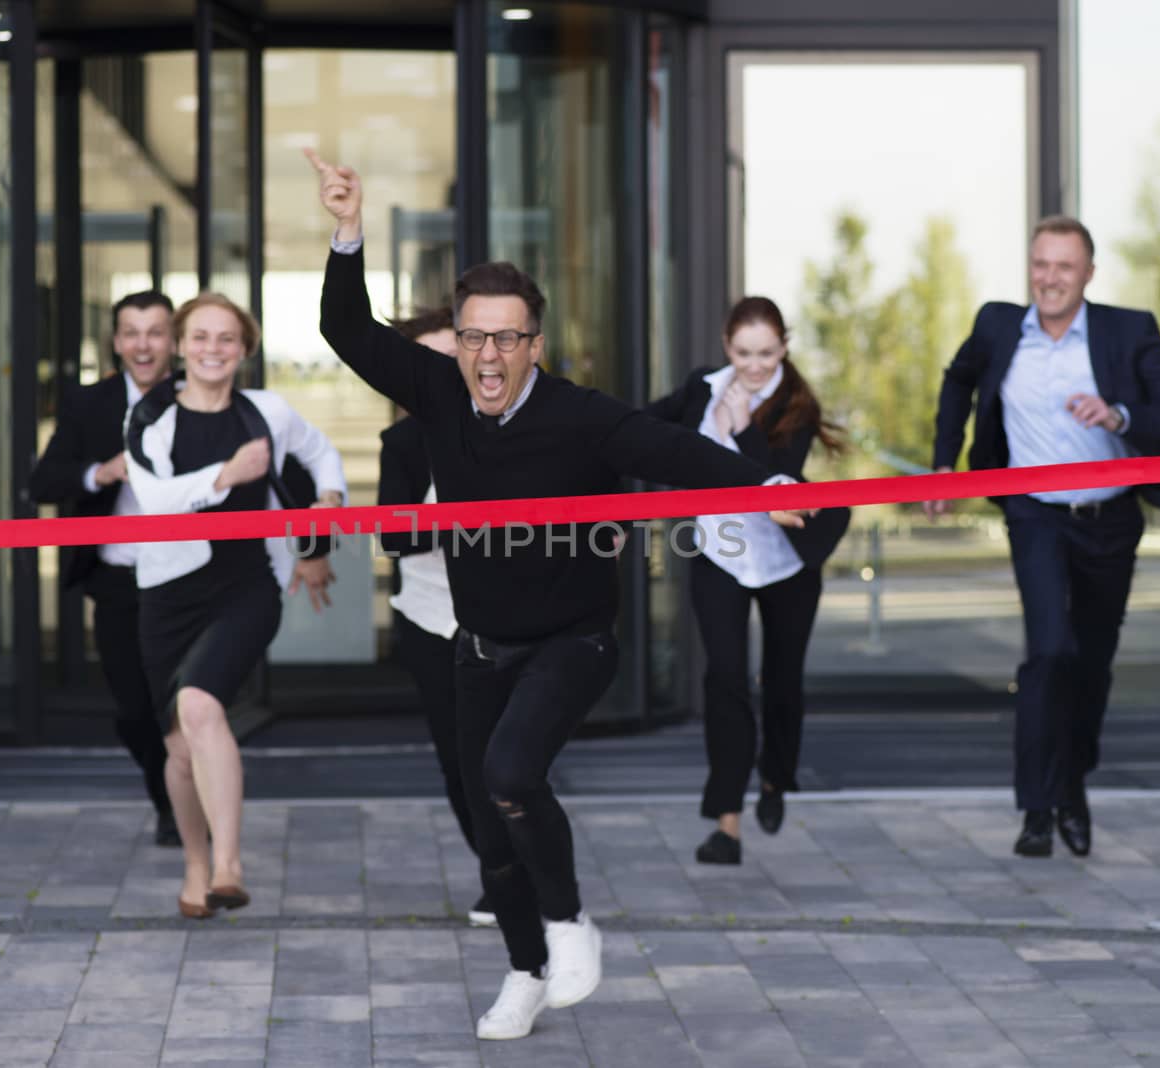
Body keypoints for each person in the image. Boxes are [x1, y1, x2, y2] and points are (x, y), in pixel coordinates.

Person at [306, 148, 807, 1041]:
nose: (488, 354)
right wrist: (348, 230)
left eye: (506, 337)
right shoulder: (437, 390)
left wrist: (762, 488)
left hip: (574, 641)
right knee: (494, 843)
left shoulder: (582, 415)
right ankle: (527, 970)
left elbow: (672, 454)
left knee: (511, 773)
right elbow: (349, 331)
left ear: (534, 342)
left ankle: (571, 921)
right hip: (479, 645)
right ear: (455, 339)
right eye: (473, 336)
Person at [925, 215, 1160, 860]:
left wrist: (1117, 414)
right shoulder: (997, 326)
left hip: (1110, 521)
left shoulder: (1128, 332)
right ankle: (1037, 810)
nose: (1049, 278)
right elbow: (958, 380)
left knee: (1090, 665)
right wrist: (941, 462)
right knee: (1049, 652)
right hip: (1035, 514)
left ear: (1088, 274)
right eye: (1040, 264)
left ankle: (1071, 781)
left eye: (1064, 266)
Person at [123, 292, 346, 919]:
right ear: (179, 346)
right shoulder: (149, 418)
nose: (212, 350)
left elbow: (320, 452)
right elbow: (156, 501)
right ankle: (196, 862)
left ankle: (229, 863)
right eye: (200, 337)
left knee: (199, 704)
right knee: (177, 746)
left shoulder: (266, 411)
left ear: (244, 349)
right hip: (168, 595)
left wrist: (327, 501)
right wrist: (225, 475)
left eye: (226, 339)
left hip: (247, 585)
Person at [645, 296, 848, 866]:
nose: (755, 365)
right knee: (726, 680)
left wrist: (740, 428)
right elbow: (643, 427)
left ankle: (777, 778)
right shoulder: (701, 389)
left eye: (766, 352)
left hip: (786, 560)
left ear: (783, 347)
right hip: (720, 553)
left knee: (782, 681)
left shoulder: (798, 405)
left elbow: (778, 481)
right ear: (726, 346)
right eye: (743, 353)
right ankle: (727, 823)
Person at [28, 290, 180, 848]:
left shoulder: (199, 397)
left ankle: (188, 804)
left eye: (155, 332)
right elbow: (43, 483)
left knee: (189, 702)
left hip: (185, 581)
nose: (143, 345)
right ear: (116, 342)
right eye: (132, 333)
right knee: (135, 708)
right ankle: (167, 798)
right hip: (117, 580)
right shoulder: (88, 404)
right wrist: (101, 472)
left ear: (173, 341)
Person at [377, 305, 497, 930]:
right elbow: (395, 540)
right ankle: (497, 876)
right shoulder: (400, 443)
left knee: (504, 758)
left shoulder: (506, 428)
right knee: (457, 761)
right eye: (427, 362)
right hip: (429, 620)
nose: (445, 371)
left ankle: (522, 871)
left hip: (504, 621)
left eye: (454, 356)